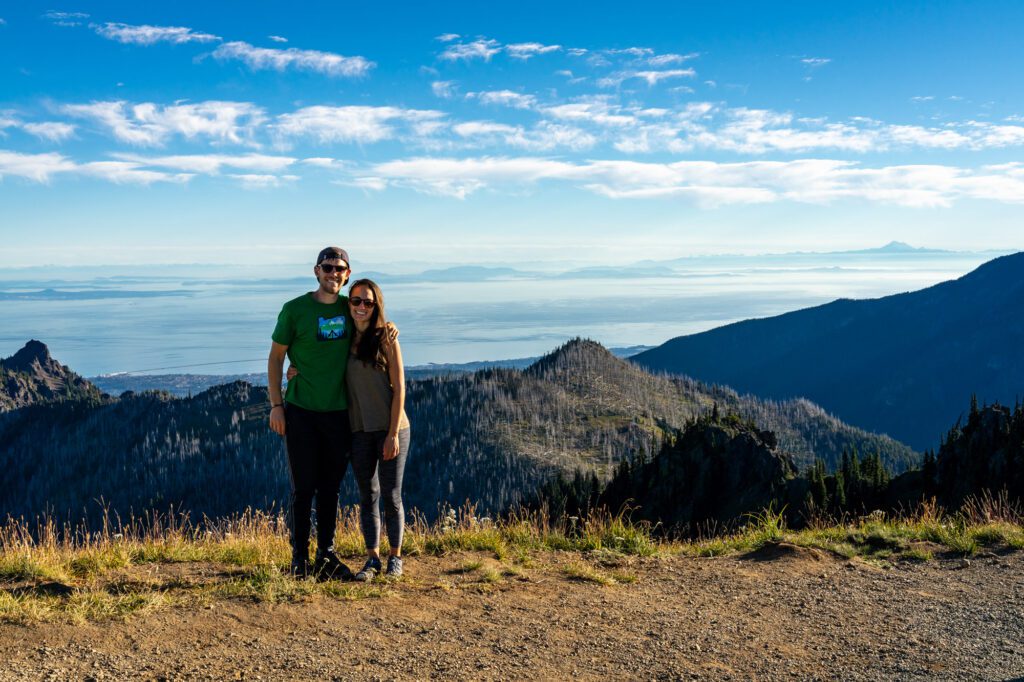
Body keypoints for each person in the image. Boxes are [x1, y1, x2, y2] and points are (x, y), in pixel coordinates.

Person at [288, 278, 411, 579]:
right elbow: (320, 360)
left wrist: (393, 433)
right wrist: (294, 369)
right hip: (357, 430)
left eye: (367, 302)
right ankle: (373, 559)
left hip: (391, 428)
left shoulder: (386, 338)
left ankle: (395, 557)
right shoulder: (343, 339)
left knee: (392, 496)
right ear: (348, 302)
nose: (360, 306)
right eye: (355, 301)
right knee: (367, 495)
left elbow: (400, 389)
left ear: (376, 305)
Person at [268, 246, 355, 580]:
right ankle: (299, 558)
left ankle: (326, 556)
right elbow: (276, 359)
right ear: (316, 271)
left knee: (331, 488)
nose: (334, 274)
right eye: (328, 267)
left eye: (340, 269)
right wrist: (277, 405)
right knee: (303, 488)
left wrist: (391, 330)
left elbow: (375, 331)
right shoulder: (294, 310)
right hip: (301, 412)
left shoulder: (353, 309)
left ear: (347, 275)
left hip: (340, 413)